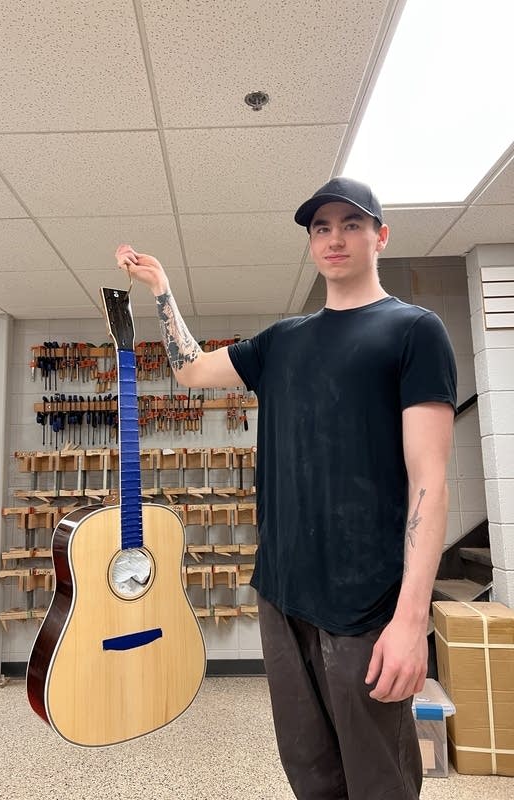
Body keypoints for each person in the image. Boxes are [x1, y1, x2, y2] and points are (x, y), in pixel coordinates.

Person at [115, 176, 457, 800]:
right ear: (310, 245)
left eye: (351, 225)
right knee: (310, 774)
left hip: (366, 606)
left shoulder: (414, 331)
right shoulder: (281, 342)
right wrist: (162, 289)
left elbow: (429, 483)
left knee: (379, 780)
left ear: (380, 236)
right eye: (321, 228)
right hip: (281, 592)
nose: (335, 238)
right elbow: (190, 369)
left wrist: (411, 620)